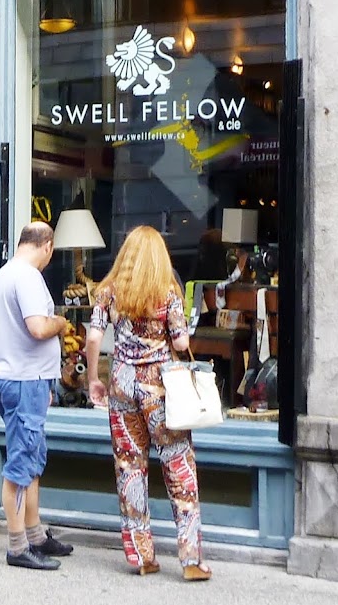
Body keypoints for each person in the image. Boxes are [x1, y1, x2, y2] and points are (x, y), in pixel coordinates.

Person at [86, 225, 211, 581]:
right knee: (178, 465)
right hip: (161, 387)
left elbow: (93, 338)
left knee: (129, 467)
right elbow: (182, 343)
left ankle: (142, 555)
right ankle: (191, 559)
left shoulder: (109, 290)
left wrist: (94, 378)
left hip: (123, 383)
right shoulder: (167, 291)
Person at [0, 220, 74, 570]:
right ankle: (17, 545)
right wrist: (61, 323)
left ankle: (35, 535)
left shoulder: (4, 274)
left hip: (16, 378)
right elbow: (38, 327)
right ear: (47, 246)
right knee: (21, 463)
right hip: (24, 381)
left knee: (31, 458)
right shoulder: (27, 277)